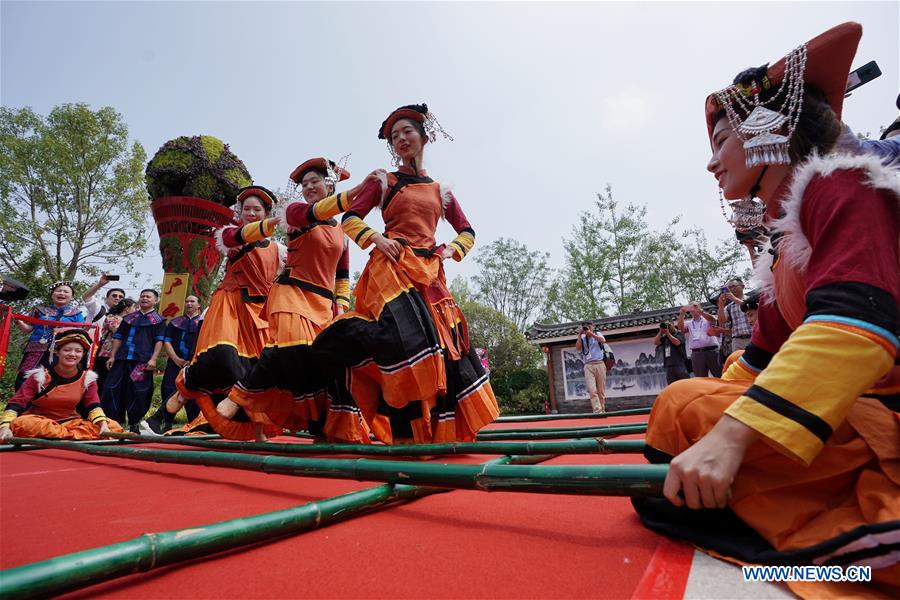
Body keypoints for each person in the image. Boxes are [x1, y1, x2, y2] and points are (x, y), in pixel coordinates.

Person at [633, 23, 899, 596]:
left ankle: (843, 541)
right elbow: (759, 358)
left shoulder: (844, 185)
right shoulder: (786, 238)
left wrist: (731, 438)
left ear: (767, 130)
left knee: (700, 431)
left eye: (721, 142)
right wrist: (721, 415)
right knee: (683, 404)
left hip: (886, 419)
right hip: (850, 417)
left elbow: (856, 328)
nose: (711, 165)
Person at [311, 103, 500, 444]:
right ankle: (349, 346)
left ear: (424, 137)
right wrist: (376, 239)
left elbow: (468, 231)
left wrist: (450, 250)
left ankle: (428, 433)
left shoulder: (440, 190)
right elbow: (350, 218)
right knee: (408, 340)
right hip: (391, 267)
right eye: (395, 136)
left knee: (442, 346)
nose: (401, 140)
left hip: (430, 274)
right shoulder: (385, 181)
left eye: (407, 132)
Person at [216, 158, 377, 442]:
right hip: (292, 294)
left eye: (315, 181)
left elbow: (342, 273)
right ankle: (240, 394)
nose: (309, 187)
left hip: (324, 305)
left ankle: (324, 428)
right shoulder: (295, 212)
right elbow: (318, 211)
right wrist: (357, 191)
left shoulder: (341, 231)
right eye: (304, 184)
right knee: (290, 350)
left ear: (329, 183)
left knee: (325, 366)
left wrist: (341, 302)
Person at [175, 186, 285, 441]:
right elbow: (237, 238)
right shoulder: (230, 235)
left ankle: (258, 432)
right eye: (246, 209)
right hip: (231, 303)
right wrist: (280, 220)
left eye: (257, 209)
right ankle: (187, 382)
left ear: (265, 212)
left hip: (261, 312)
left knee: (256, 371)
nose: (251, 213)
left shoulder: (279, 250)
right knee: (222, 357)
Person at [0, 329, 123, 441]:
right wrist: (5, 426)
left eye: (78, 351)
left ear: (82, 355)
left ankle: (62, 435)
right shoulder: (39, 376)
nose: (72, 354)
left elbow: (93, 405)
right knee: (23, 424)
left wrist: (103, 425)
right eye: (67, 350)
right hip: (41, 422)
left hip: (71, 422)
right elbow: (17, 403)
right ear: (57, 352)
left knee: (113, 426)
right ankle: (75, 436)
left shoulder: (87, 378)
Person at [102, 289, 165, 433]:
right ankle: (114, 422)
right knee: (112, 388)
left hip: (142, 361)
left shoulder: (159, 320)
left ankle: (134, 422)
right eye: (142, 296)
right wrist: (112, 356)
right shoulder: (129, 318)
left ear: (155, 300)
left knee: (139, 392)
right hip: (122, 359)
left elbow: (159, 341)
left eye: (148, 297)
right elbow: (118, 337)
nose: (144, 299)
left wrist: (153, 359)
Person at [141, 295, 202, 434]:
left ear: (199, 305)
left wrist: (192, 361)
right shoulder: (175, 322)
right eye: (186, 301)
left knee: (193, 393)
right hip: (174, 363)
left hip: (195, 364)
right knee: (169, 390)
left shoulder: (203, 322)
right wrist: (176, 359)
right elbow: (167, 341)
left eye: (192, 301)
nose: (189, 303)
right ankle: (167, 423)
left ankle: (193, 424)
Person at [12, 281, 86, 390]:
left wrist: (65, 329)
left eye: (66, 291)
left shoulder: (76, 314)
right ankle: (19, 404)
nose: (62, 293)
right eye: (58, 291)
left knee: (55, 378)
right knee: (25, 377)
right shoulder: (39, 311)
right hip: (36, 349)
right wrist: (19, 322)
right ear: (52, 294)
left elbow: (80, 332)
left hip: (61, 351)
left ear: (72, 297)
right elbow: (28, 329)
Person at [93, 297, 136, 394]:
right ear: (127, 308)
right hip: (106, 354)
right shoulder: (112, 318)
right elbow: (118, 332)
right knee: (102, 380)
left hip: (119, 355)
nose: (136, 310)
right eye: (134, 307)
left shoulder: (128, 322)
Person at [677, 302, 724, 377]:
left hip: (712, 351)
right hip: (697, 353)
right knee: (701, 378)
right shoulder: (689, 323)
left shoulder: (706, 319)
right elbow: (681, 328)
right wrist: (682, 314)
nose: (693, 309)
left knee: (720, 375)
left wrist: (700, 311)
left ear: (699, 307)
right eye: (691, 307)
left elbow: (713, 320)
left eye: (695, 306)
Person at [575, 321, 608, 413]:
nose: (587, 328)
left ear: (593, 327)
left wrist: (592, 334)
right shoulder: (582, 337)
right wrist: (579, 334)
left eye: (588, 326)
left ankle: (602, 408)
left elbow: (603, 340)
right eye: (585, 327)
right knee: (592, 389)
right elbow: (578, 348)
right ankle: (597, 410)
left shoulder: (597, 334)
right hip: (588, 365)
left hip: (600, 364)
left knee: (601, 390)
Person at [717, 278, 753, 352]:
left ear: (743, 286)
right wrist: (720, 305)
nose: (731, 289)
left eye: (734, 286)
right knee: (739, 363)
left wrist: (734, 299)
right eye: (729, 288)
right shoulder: (729, 307)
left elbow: (752, 308)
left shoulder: (752, 299)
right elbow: (721, 321)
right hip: (737, 341)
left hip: (753, 338)